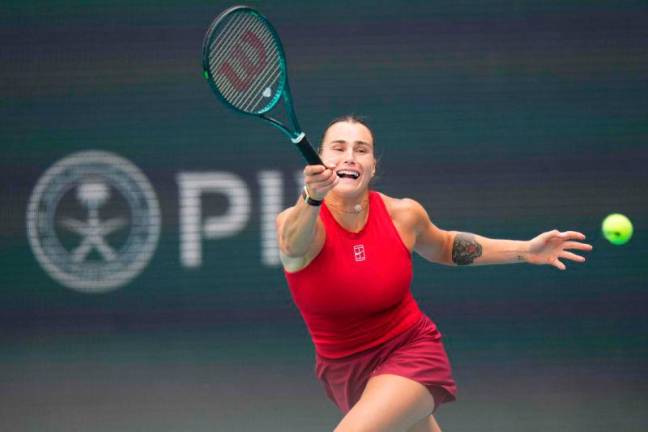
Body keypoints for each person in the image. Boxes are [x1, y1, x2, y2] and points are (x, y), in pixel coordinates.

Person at [275, 115, 592, 432]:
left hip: (410, 349)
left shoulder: (403, 214)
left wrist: (526, 250)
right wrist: (312, 196)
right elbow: (292, 244)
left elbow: (446, 245)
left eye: (361, 150)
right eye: (338, 148)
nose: (349, 157)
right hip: (344, 369)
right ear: (320, 160)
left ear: (373, 166)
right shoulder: (299, 222)